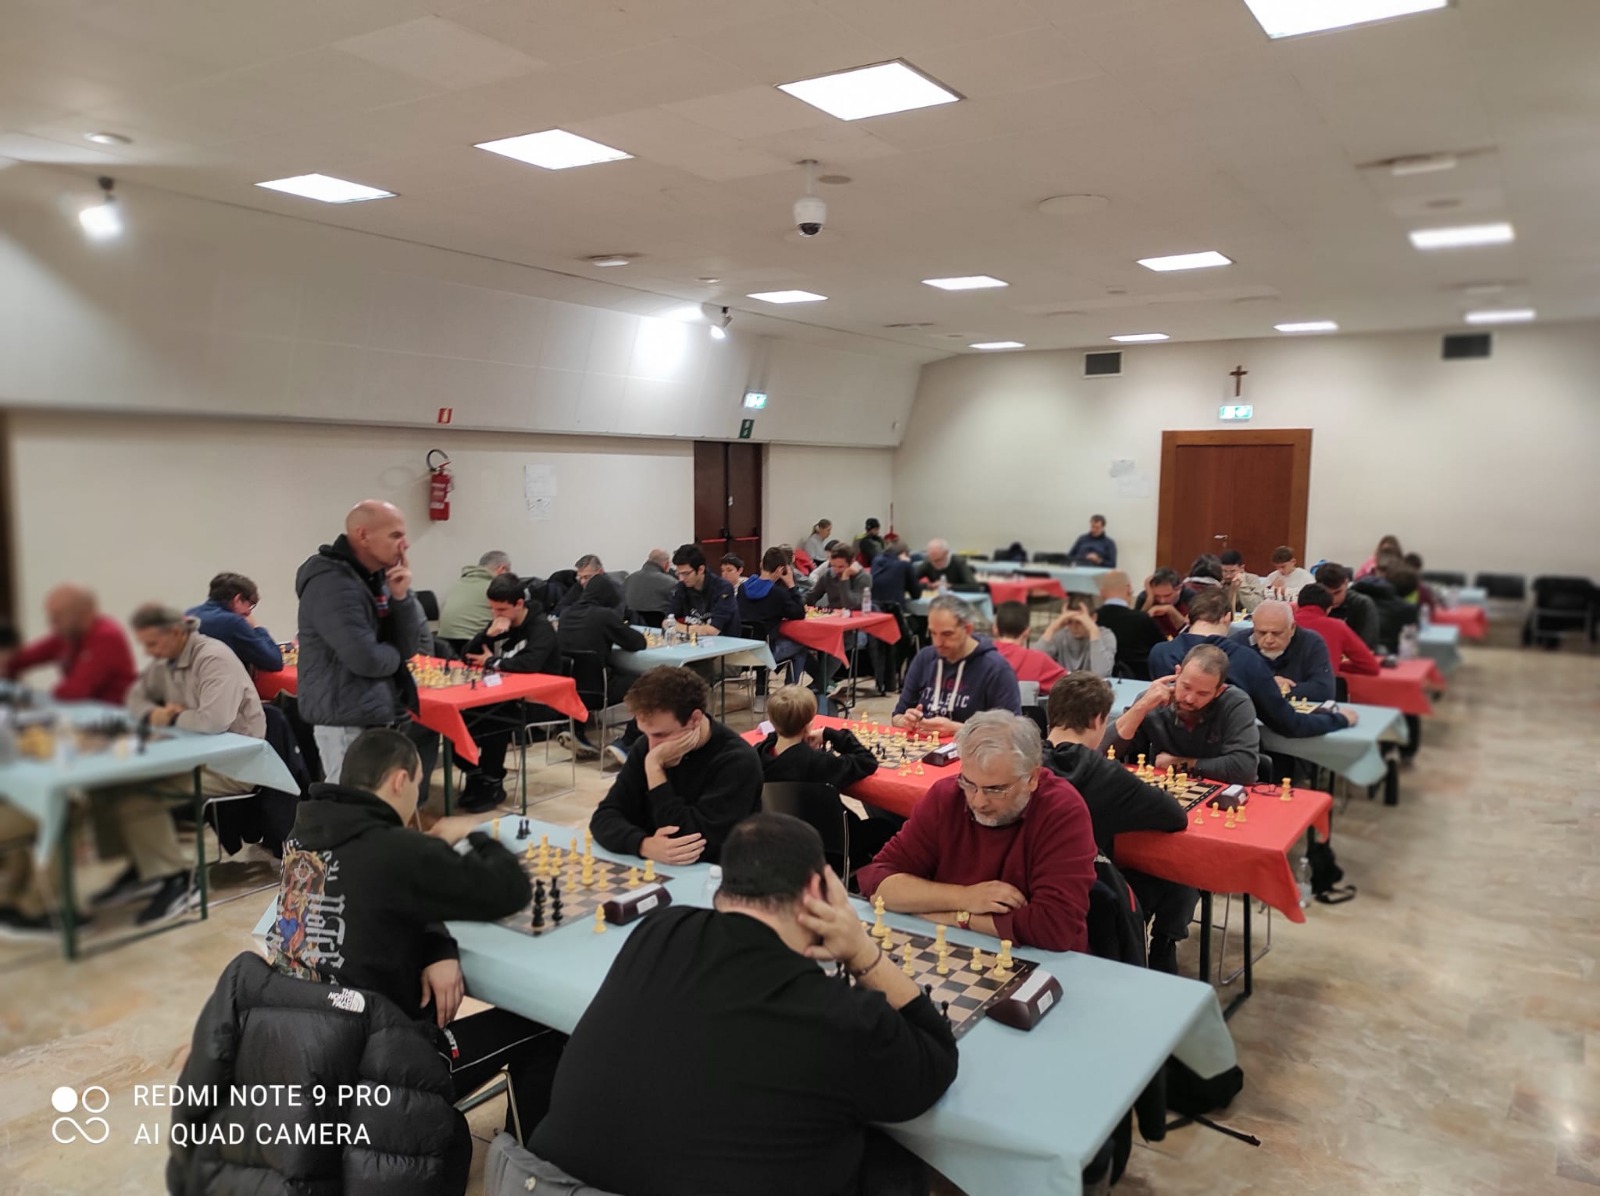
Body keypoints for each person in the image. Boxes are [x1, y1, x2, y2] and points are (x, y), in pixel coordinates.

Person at [530, 813, 957, 1196]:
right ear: (817, 889)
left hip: (553, 1183)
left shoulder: (659, 929)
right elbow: (935, 1063)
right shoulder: (842, 1016)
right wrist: (862, 951)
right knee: (897, 1165)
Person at [264, 728, 565, 1141]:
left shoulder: (303, 838)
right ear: (400, 780)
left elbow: (375, 902)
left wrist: (437, 946)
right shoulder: (397, 849)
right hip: (386, 1068)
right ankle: (528, 1165)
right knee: (545, 1024)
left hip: (303, 1050)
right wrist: (475, 832)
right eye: (419, 783)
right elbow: (508, 890)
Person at [855, 711, 1097, 953]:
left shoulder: (1063, 810)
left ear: (1032, 778)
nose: (979, 801)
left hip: (1044, 962)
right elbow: (879, 884)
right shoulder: (947, 796)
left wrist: (955, 918)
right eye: (969, 783)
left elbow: (1055, 928)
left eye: (996, 789)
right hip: (952, 950)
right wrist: (965, 897)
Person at [92, 605, 266, 925]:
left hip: (233, 766)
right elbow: (134, 700)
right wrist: (153, 713)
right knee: (113, 787)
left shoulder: (213, 658)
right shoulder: (166, 662)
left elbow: (214, 721)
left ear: (175, 633)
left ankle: (178, 882)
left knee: (141, 795)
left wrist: (170, 715)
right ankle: (146, 868)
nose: (148, 652)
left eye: (152, 644)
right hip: (193, 758)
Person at [1040, 674, 1194, 973]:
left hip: (1032, 885)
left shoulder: (1025, 761)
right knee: (1174, 876)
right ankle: (1163, 946)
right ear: (1099, 720)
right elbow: (1175, 816)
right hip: (1090, 895)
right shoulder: (1106, 775)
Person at [589, 666, 762, 865]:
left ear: (695, 719)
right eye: (645, 733)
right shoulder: (645, 746)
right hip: (655, 871)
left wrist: (655, 769)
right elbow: (603, 817)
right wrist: (643, 844)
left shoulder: (737, 761)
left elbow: (688, 845)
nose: (652, 746)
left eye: (661, 735)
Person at [1148, 588, 1357, 738]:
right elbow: (1290, 724)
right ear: (1228, 618)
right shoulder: (1246, 660)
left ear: (1188, 617)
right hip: (1226, 758)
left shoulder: (1159, 653)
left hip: (1167, 754)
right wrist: (1340, 719)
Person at [452, 574, 562, 810]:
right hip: (501, 695)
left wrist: (492, 661)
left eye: (501, 609)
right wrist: (486, 636)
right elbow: (467, 657)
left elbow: (530, 664)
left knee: (494, 721)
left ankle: (491, 781)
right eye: (492, 609)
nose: (495, 614)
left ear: (519, 604)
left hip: (537, 701)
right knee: (458, 718)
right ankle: (476, 774)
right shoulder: (500, 624)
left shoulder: (540, 628)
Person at [1102, 646, 1262, 785]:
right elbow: (1102, 751)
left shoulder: (1236, 703)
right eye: (1186, 687)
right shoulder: (1153, 700)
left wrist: (1179, 763)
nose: (1190, 698)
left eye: (1203, 693)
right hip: (1167, 791)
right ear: (1177, 673)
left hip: (1219, 795)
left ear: (1219, 691)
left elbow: (1244, 769)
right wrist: (1140, 707)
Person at [892, 595, 1022, 735]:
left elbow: (1011, 733)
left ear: (968, 629)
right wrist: (905, 721)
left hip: (973, 752)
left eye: (947, 634)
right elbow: (897, 716)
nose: (937, 642)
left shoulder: (996, 669)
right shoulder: (924, 658)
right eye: (933, 633)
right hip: (922, 747)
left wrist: (957, 729)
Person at [555, 572, 647, 765]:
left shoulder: (566, 615)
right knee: (649, 684)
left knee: (586, 672)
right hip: (600, 691)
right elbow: (637, 642)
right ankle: (628, 741)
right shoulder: (604, 615)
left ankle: (575, 730)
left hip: (570, 692)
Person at [3, 584, 136, 703]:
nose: (51, 624)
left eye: (57, 617)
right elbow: (22, 659)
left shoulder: (106, 637)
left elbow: (75, 691)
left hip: (114, 713)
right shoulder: (68, 635)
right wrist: (6, 661)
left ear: (83, 614)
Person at [737, 546, 807, 686]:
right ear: (781, 570)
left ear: (761, 564)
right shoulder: (778, 594)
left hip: (741, 651)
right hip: (765, 652)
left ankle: (761, 695)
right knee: (801, 646)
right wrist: (792, 585)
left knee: (765, 638)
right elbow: (799, 614)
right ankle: (790, 693)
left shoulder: (742, 588)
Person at [186, 573, 284, 673]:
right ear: (237, 599)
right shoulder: (232, 622)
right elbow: (274, 661)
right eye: (249, 605)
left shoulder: (189, 614)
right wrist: (256, 627)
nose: (248, 612)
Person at [1240, 600, 1335, 702]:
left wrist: (1278, 689)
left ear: (1292, 628)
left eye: (1276, 633)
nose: (1269, 640)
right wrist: (1267, 685)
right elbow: (1226, 687)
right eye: (1261, 633)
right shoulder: (1239, 643)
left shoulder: (1311, 643)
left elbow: (1325, 690)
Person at [1296, 584, 1381, 677]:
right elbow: (1371, 667)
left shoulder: (1285, 622)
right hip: (1323, 687)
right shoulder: (1337, 626)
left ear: (1298, 604)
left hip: (1284, 687)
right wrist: (1337, 665)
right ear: (1329, 609)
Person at [1095, 571, 1166, 679]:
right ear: (1128, 588)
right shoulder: (1143, 619)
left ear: (1101, 592)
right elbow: (1163, 648)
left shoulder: (1092, 620)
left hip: (1101, 679)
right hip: (1141, 681)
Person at [436, 550, 512, 647]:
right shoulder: (495, 588)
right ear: (501, 569)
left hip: (442, 643)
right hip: (472, 644)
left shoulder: (459, 583)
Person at [990, 601, 1068, 690]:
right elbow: (1075, 684)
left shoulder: (982, 656)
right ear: (1027, 632)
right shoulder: (1038, 660)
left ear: (995, 629)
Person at [1036, 593, 1117, 677]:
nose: (1074, 627)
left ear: (1093, 618)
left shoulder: (1106, 636)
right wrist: (1052, 628)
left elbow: (1102, 673)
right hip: (1064, 685)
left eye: (1079, 622)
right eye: (1069, 621)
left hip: (1092, 687)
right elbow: (1035, 663)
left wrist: (1093, 631)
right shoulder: (1060, 634)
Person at [669, 543, 738, 632]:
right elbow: (667, 621)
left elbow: (713, 630)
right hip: (693, 641)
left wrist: (681, 628)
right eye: (678, 573)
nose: (681, 578)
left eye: (686, 573)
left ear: (701, 569)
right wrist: (693, 629)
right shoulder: (682, 586)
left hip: (725, 642)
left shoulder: (723, 588)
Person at [1315, 562, 1381, 650]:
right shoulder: (1314, 604)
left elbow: (1367, 644)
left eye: (1337, 592)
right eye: (1327, 594)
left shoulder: (1362, 604)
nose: (1333, 600)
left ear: (1346, 583)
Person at [1134, 567, 1194, 639]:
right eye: (1157, 596)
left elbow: (1191, 634)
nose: (1162, 601)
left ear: (1179, 588)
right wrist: (1150, 600)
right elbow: (1136, 629)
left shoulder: (1191, 597)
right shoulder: (1145, 597)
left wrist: (1171, 610)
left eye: (1167, 595)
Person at [623, 548, 678, 621]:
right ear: (666, 564)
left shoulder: (628, 579)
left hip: (632, 626)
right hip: (660, 627)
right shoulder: (671, 582)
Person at [1219, 550, 1267, 617]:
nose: (1228, 575)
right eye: (1225, 571)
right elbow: (1220, 609)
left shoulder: (1252, 579)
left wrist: (1242, 585)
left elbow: (1255, 608)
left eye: (1232, 571)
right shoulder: (1219, 581)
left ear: (1242, 568)